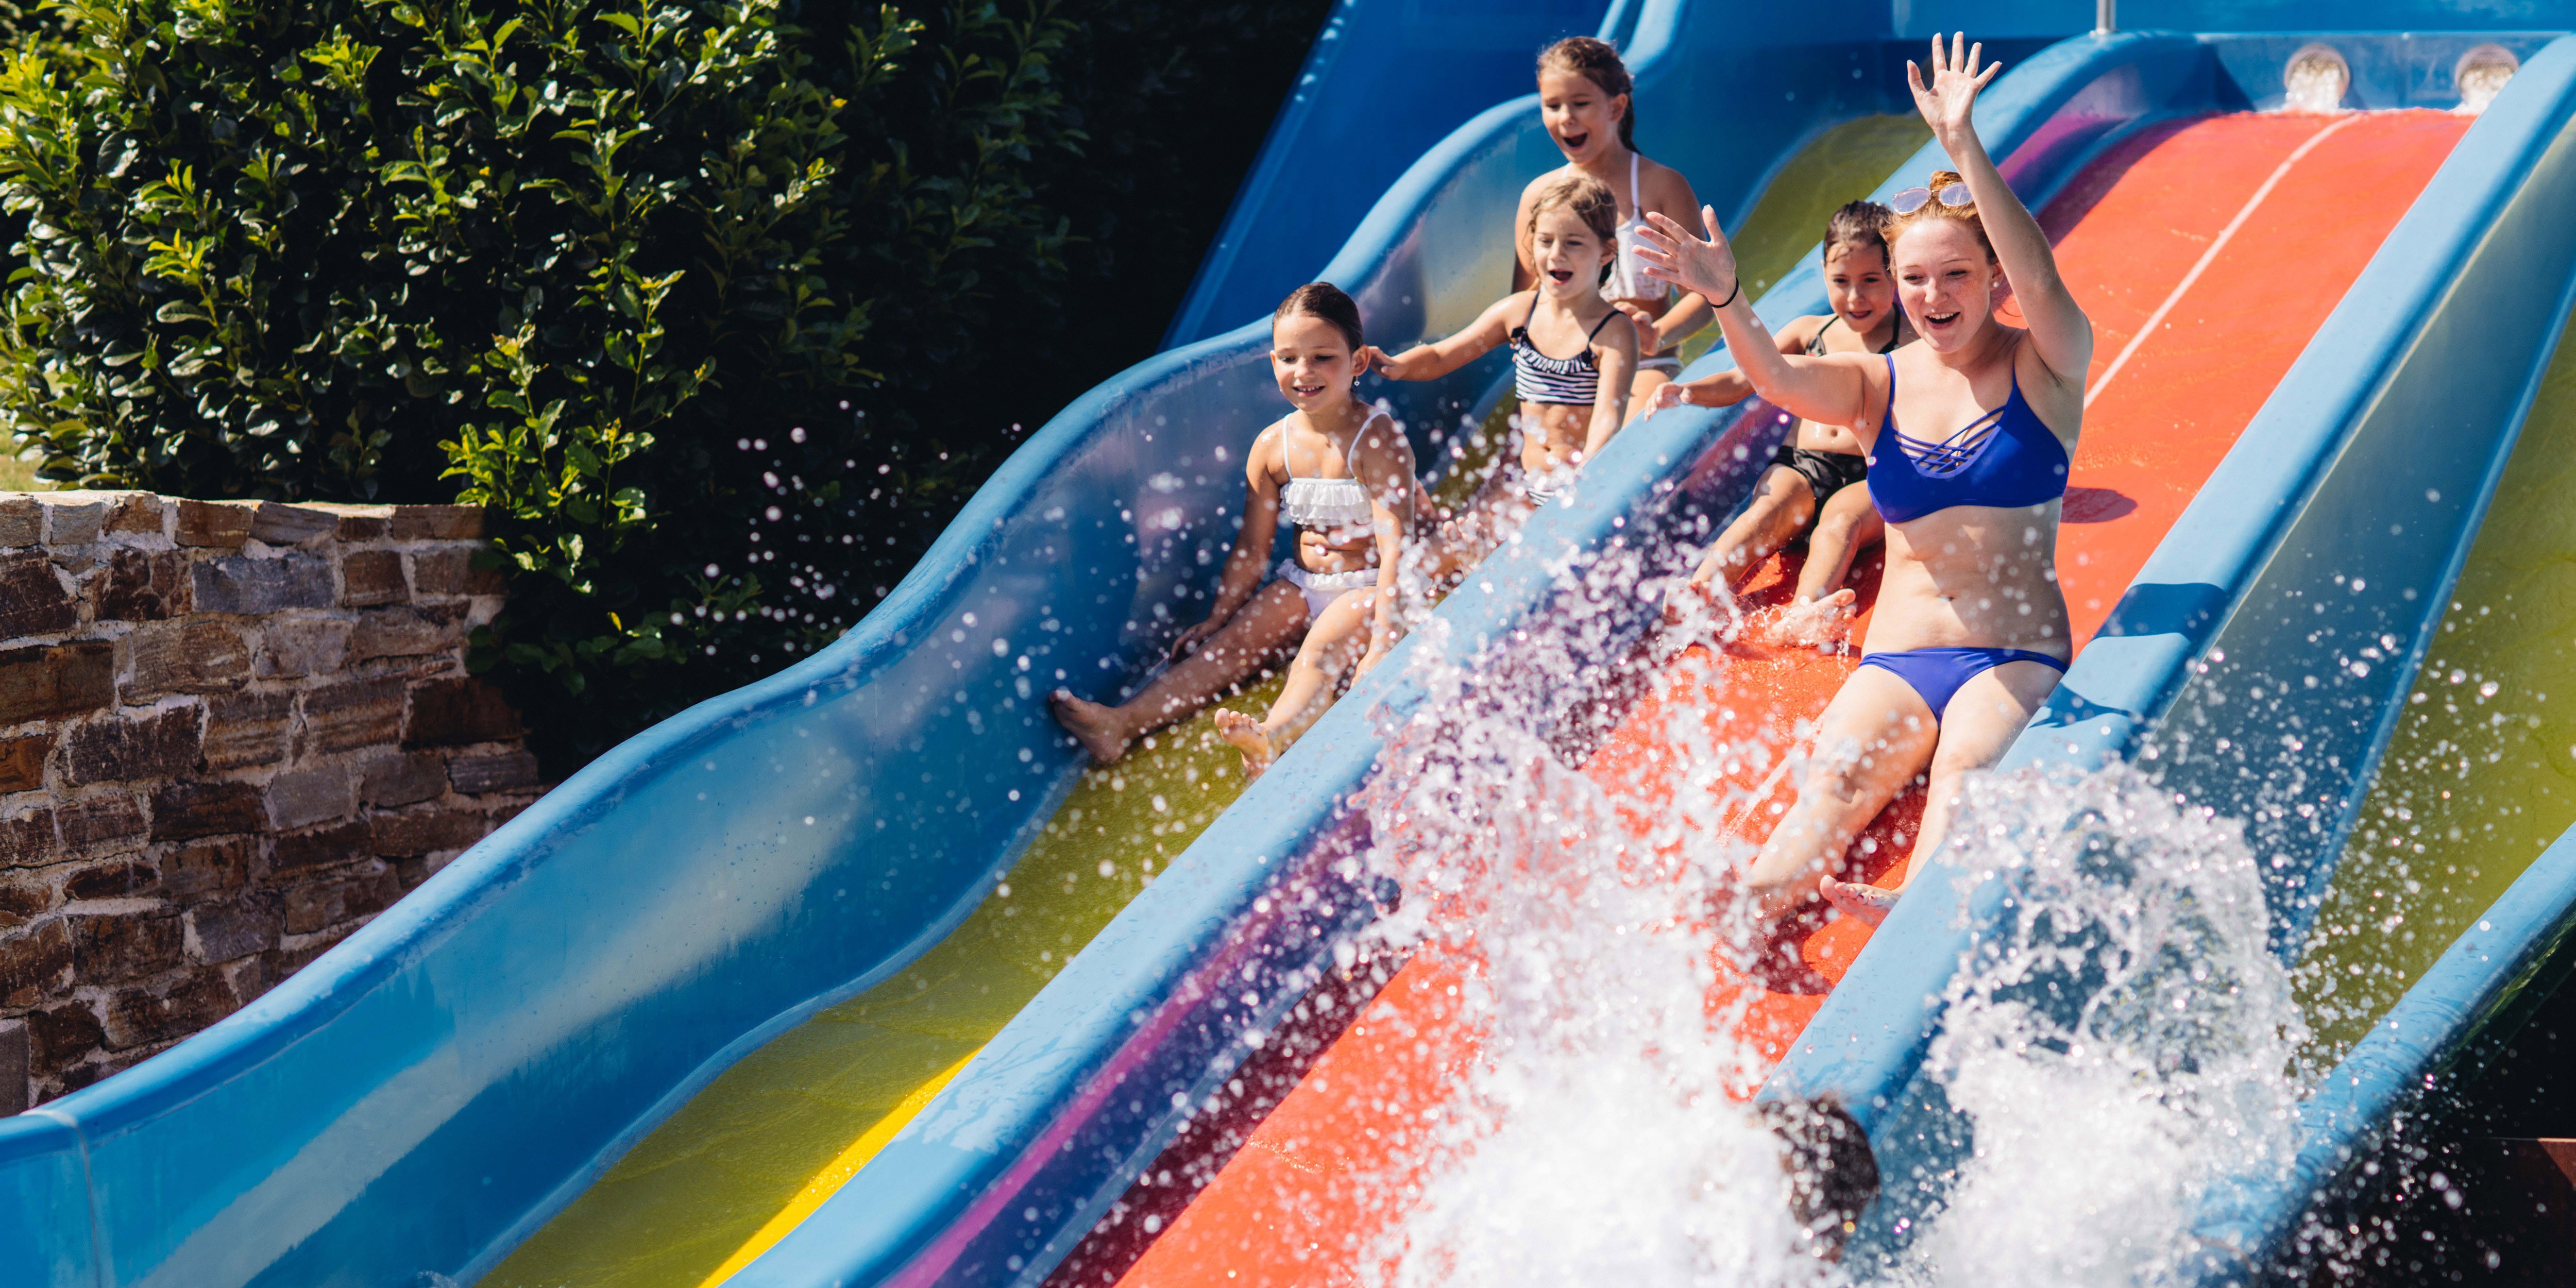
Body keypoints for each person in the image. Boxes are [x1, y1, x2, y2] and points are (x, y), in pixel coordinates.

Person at [1636, 33, 2088, 928]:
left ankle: (1908, 918)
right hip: (1902, 653)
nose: (1932, 294)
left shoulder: (2046, 365)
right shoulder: (1877, 383)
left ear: (1992, 276)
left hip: (2014, 655)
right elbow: (1776, 381)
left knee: (1964, 775)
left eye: (1956, 274)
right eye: (1913, 278)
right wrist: (1728, 299)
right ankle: (1755, 902)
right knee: (1833, 778)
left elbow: (2043, 278)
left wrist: (1965, 149)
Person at [1051, 283, 1417, 768]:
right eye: (1289, 358)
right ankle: (1120, 725)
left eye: (1322, 357)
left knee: (1320, 651)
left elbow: (1396, 547)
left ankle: (1272, 736)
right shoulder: (1271, 446)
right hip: (1303, 581)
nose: (1303, 372)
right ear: (1273, 365)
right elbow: (1251, 548)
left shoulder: (1377, 439)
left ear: (1359, 363)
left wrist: (1385, 638)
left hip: (1369, 588)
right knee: (1231, 647)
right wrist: (1220, 615)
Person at [1653, 201, 1912, 648]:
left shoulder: (1909, 340)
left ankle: (1806, 610)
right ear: (1824, 273)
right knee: (1768, 510)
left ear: (1895, 273)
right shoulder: (1810, 331)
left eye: (1871, 280)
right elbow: (1744, 377)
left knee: (1840, 523)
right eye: (1841, 281)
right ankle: (1702, 589)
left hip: (1870, 472)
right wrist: (1689, 391)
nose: (1855, 297)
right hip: (1803, 465)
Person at [1363, 172, 1638, 568]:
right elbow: (1443, 355)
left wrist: (1582, 488)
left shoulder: (1612, 332)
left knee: (1528, 567)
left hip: (1578, 487)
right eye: (1545, 241)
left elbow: (1607, 420)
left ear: (1607, 253)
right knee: (1433, 560)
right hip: (1526, 486)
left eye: (1574, 243)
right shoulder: (1519, 312)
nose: (1556, 254)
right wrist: (1397, 364)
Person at [1514, 37, 1711, 418]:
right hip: (1566, 371)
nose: (1565, 117)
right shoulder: (1537, 196)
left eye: (1581, 104)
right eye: (1552, 106)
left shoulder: (1660, 187)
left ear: (1617, 106)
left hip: (1645, 365)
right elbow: (1525, 307)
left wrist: (1656, 336)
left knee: (1626, 444)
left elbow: (1704, 298)